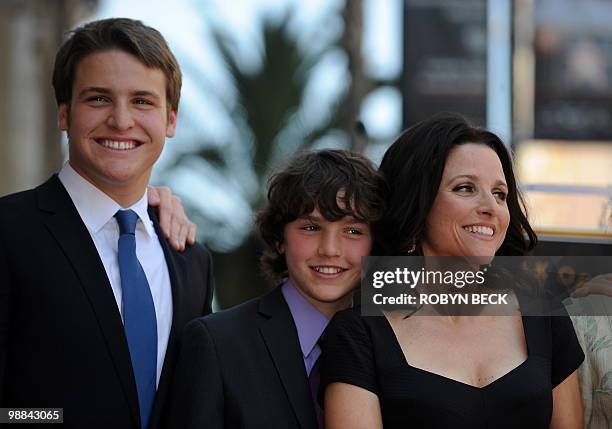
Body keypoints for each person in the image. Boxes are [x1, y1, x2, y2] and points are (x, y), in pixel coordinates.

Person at [0, 18, 214, 429]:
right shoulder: (9, 233)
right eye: (98, 99)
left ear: (171, 120)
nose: (120, 120)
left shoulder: (192, 262)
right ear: (64, 113)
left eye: (142, 101)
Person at [321, 113, 585, 428]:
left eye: (500, 194)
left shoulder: (546, 316)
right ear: (417, 202)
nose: (491, 207)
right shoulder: (357, 334)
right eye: (464, 188)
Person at [167, 149, 386, 428]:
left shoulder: (395, 344)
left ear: (375, 244)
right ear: (280, 238)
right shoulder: (216, 344)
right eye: (310, 228)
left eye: (353, 231)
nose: (330, 250)